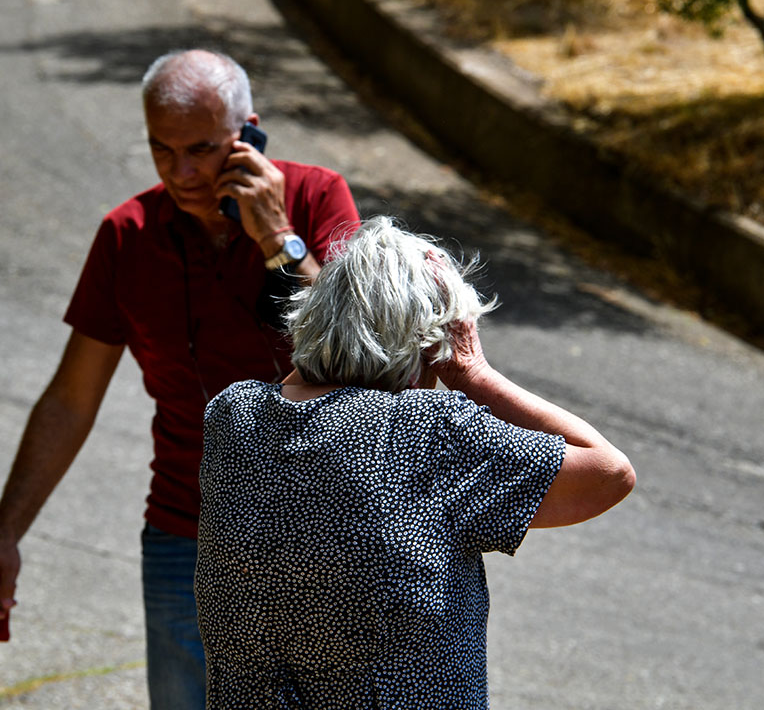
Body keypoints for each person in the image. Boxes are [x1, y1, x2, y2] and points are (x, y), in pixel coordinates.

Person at [0, 49, 361, 710]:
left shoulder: (318, 198)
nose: (182, 173)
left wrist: (278, 239)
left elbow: (357, 357)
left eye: (202, 150)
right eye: (161, 150)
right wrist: (4, 535)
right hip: (185, 536)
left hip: (316, 534)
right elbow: (70, 399)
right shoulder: (127, 235)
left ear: (248, 133)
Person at [195, 216, 635, 708]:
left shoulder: (233, 417)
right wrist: (473, 371)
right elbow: (609, 474)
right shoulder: (425, 431)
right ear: (432, 344)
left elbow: (310, 378)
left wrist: (338, 319)